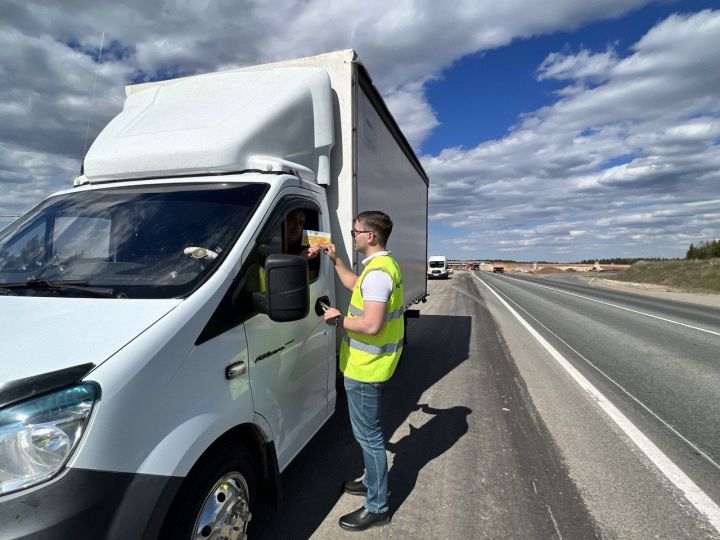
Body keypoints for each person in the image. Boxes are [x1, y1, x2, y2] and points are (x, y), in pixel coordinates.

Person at [321, 210, 404, 532]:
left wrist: (337, 320)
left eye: (355, 231)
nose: (352, 235)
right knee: (369, 433)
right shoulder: (378, 267)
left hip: (367, 369)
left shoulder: (379, 273)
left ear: (370, 236)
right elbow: (356, 286)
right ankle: (371, 481)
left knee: (369, 438)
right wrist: (336, 259)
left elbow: (370, 324)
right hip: (369, 366)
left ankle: (377, 506)